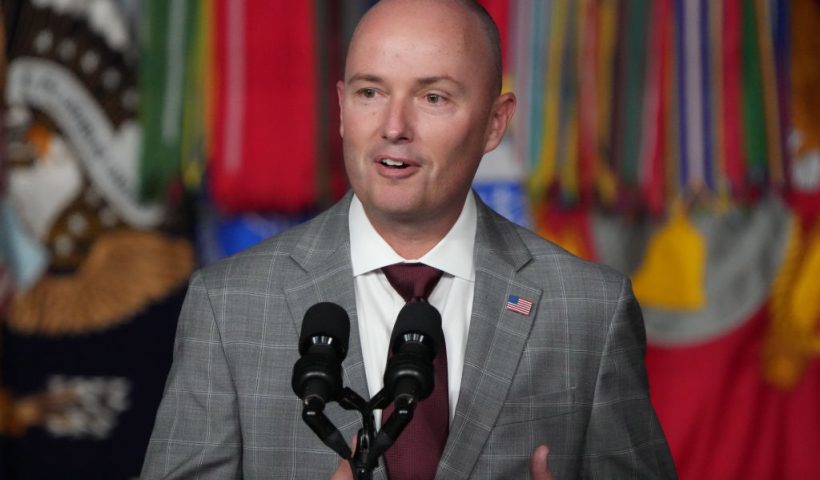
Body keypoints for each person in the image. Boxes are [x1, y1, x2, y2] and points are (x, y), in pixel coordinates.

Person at [141, 0, 677, 478]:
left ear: (495, 123)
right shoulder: (229, 304)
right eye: (370, 92)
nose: (393, 126)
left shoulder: (589, 310)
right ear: (343, 109)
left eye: (433, 97)